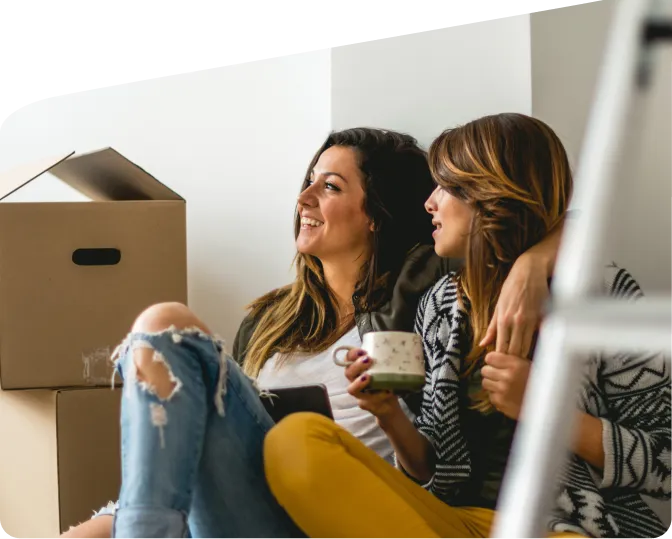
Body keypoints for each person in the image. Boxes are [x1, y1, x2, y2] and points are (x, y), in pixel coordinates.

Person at [62, 127, 563, 539]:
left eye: (330, 186)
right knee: (163, 333)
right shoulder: (268, 320)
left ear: (376, 216)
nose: (303, 198)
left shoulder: (422, 292)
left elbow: (545, 218)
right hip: (246, 509)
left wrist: (532, 262)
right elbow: (197, 448)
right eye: (309, 181)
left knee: (166, 323)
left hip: (330, 513)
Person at [263, 113, 672, 539]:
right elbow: (433, 468)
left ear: (492, 195)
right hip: (460, 523)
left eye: (447, 188)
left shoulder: (601, 295)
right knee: (297, 438)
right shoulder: (439, 303)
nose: (429, 203)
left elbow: (666, 462)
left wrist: (547, 409)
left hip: (567, 529)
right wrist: (387, 414)